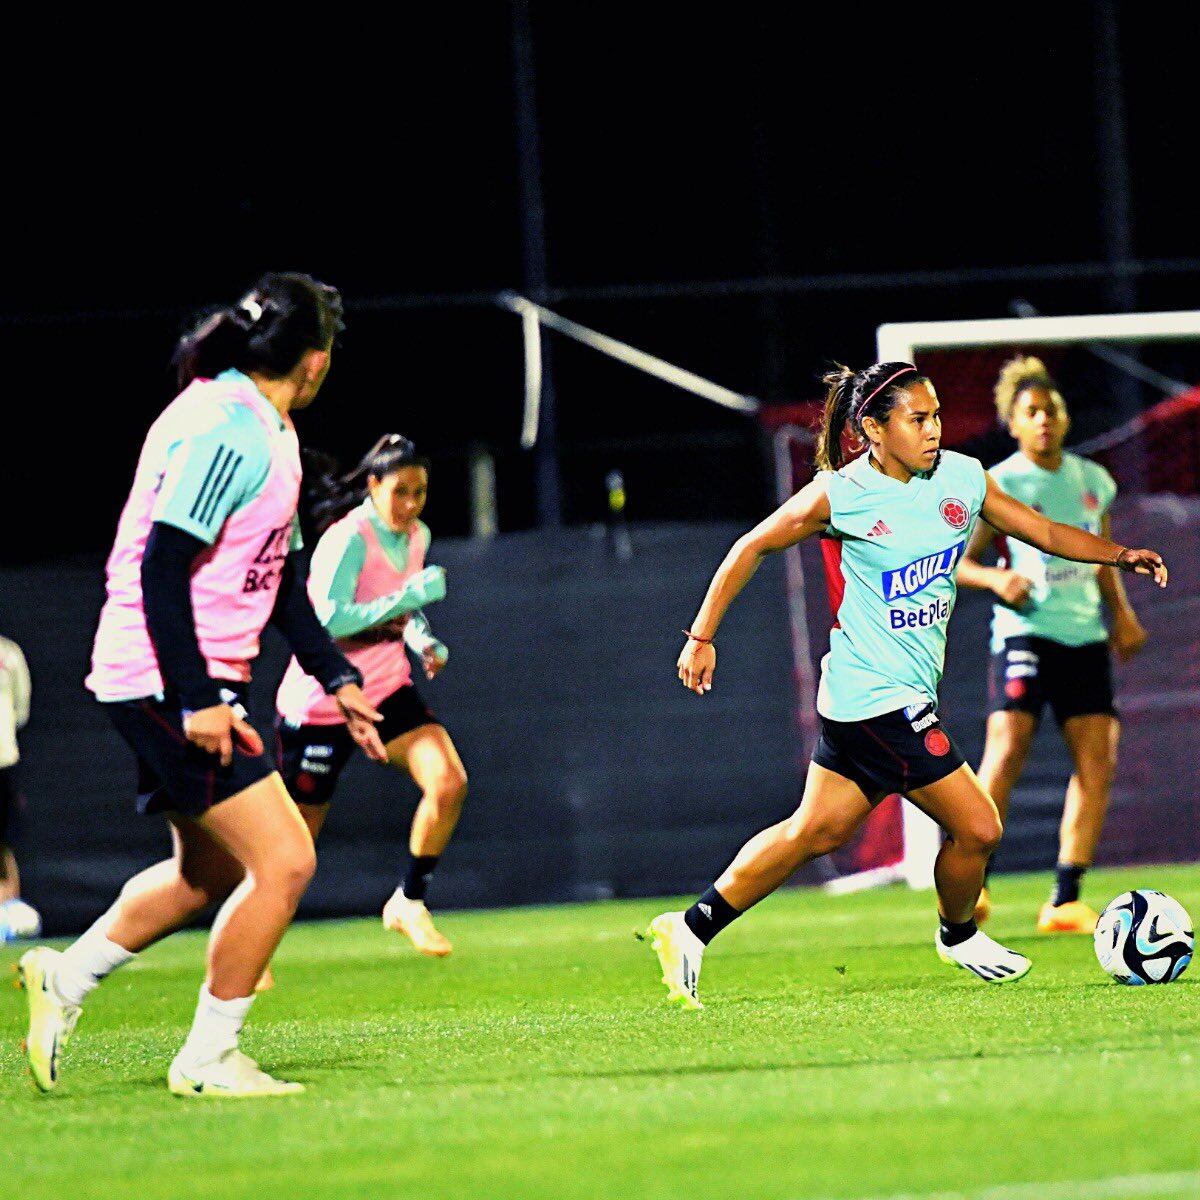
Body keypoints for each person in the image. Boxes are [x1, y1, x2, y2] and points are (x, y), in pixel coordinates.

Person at [645, 362, 1167, 1009]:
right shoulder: (841, 495)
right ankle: (958, 934)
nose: (933, 431)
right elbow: (752, 545)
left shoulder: (962, 479)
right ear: (873, 428)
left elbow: (1046, 532)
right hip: (875, 700)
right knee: (979, 827)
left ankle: (689, 929)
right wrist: (701, 636)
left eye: (938, 416)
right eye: (917, 419)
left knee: (814, 833)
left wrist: (1119, 555)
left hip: (884, 697)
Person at [18, 273, 386, 1098]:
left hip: (176, 672)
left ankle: (63, 982)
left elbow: (281, 576)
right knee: (287, 860)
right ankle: (207, 1060)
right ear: (316, 360)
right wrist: (197, 700)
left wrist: (336, 673)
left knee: (209, 874)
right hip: (164, 675)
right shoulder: (234, 428)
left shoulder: (258, 423)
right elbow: (161, 566)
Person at [957, 357, 1149, 934]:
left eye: (1052, 410)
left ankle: (1065, 898)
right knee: (1008, 747)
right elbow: (956, 564)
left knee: (1098, 760)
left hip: (1084, 636)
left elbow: (1102, 557)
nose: (1044, 420)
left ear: (1065, 418)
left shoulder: (1092, 480)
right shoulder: (1000, 483)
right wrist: (996, 579)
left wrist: (1122, 615)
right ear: (1013, 424)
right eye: (1031, 412)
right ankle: (973, 879)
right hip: (1026, 632)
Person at [272, 433, 466, 959]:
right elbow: (329, 621)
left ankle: (409, 900)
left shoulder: (417, 536)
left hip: (385, 688)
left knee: (447, 782)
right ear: (374, 486)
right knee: (294, 848)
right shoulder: (347, 538)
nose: (410, 504)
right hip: (323, 698)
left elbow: (397, 615)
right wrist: (409, 597)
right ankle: (253, 943)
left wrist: (422, 638)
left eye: (420, 492)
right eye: (400, 491)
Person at [0, 635, 41, 941]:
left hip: (2, 760)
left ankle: (8, 919)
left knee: (3, 842)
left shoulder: (8, 652)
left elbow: (21, 709)